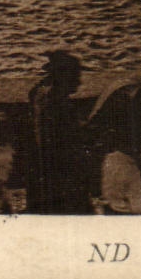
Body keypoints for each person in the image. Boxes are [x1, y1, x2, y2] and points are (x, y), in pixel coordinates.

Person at [26, 50, 94, 214]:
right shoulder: (56, 102)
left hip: (43, 171)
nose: (79, 81)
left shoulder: (41, 92)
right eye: (76, 76)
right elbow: (62, 140)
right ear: (64, 76)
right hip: (59, 174)